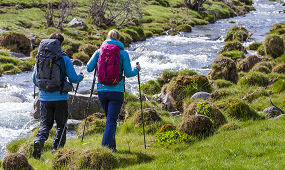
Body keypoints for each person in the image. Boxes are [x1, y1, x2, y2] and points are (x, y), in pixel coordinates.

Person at [87, 29, 140, 151]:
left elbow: (89, 68)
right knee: (111, 120)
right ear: (119, 39)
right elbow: (128, 73)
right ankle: (106, 149)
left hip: (101, 91)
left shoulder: (99, 51)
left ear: (107, 38)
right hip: (116, 92)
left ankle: (112, 147)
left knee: (110, 120)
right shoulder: (123, 53)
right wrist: (137, 69)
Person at [32, 33, 84, 159]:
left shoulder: (40, 57)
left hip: (44, 98)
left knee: (45, 125)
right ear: (61, 44)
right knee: (61, 125)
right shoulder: (64, 59)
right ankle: (57, 150)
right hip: (60, 98)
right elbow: (73, 78)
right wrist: (81, 77)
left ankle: (38, 141)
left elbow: (34, 80)